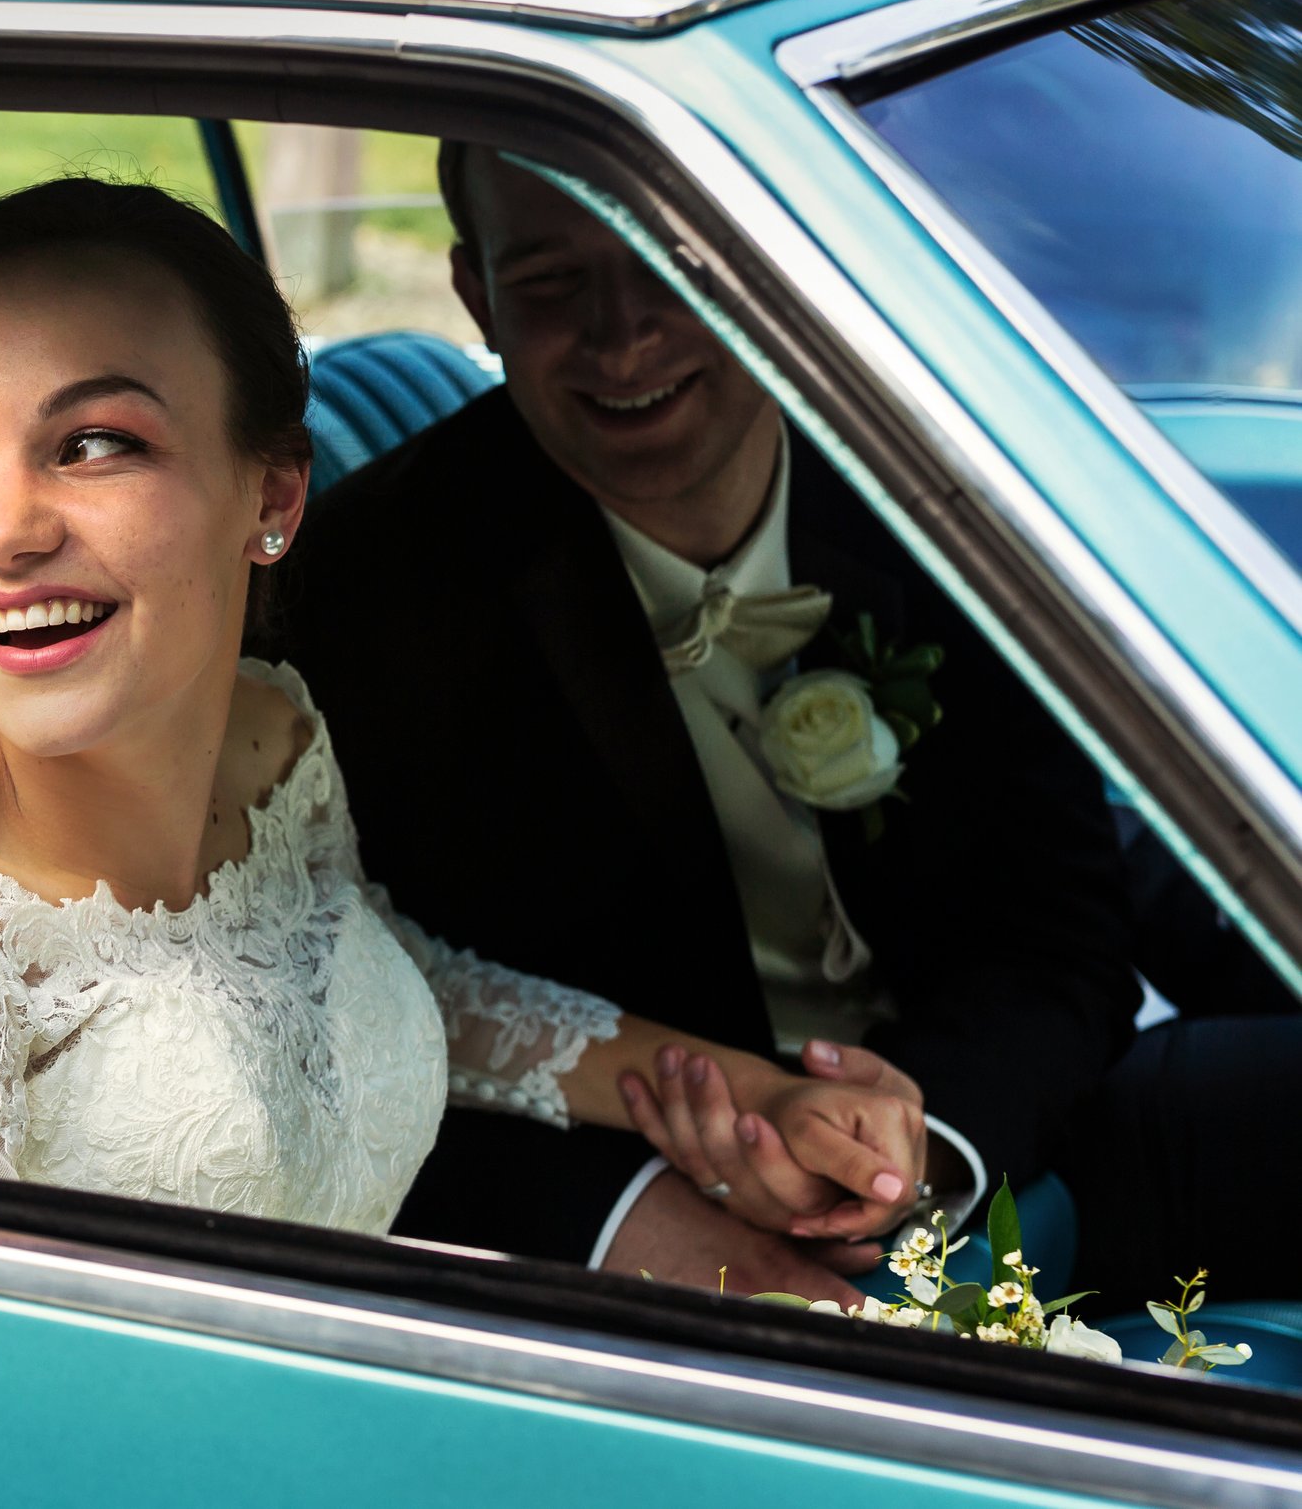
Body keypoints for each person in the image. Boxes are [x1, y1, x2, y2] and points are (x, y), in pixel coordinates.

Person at [0, 178, 927, 1245]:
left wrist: (744, 1092)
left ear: (271, 490)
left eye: (93, 443)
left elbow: (373, 975)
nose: (0, 531)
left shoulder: (274, 732)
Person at [281, 142, 1302, 1302]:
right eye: (555, 282)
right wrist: (645, 1218)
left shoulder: (944, 483)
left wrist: (923, 1148)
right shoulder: (370, 589)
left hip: (1003, 1126)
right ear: (478, 296)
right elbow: (383, 1020)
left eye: (668, 263)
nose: (624, 337)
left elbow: (1056, 930)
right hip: (667, 1215)